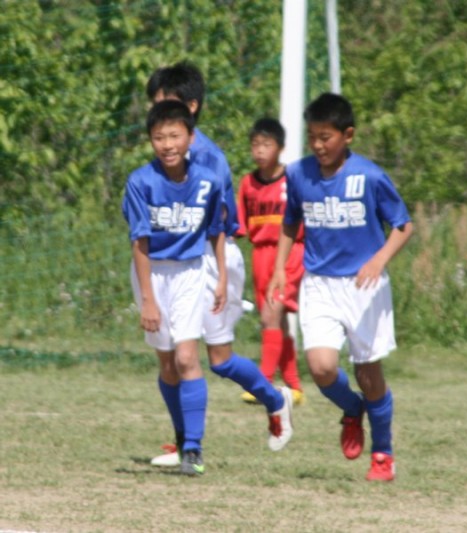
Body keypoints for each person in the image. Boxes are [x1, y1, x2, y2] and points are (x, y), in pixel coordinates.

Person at [145, 62, 293, 468]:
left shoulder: (207, 157)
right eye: (155, 106)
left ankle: (274, 399)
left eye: (166, 104)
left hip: (212, 257)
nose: (158, 114)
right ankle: (186, 445)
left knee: (219, 359)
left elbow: (216, 224)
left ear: (191, 107)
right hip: (175, 262)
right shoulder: (164, 155)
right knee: (172, 359)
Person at [268, 93, 413, 482]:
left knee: (368, 372)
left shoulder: (369, 176)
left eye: (326, 137)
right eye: (312, 137)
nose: (318, 145)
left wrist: (379, 260)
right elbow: (290, 221)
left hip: (364, 287)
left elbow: (403, 226)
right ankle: (352, 409)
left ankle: (382, 454)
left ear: (347, 135)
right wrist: (280, 268)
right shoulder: (299, 174)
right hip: (319, 283)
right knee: (321, 367)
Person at [123, 100, 226, 475]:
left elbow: (216, 231)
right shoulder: (140, 182)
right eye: (159, 137)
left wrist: (222, 278)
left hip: (190, 271)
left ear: (190, 137)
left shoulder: (208, 181)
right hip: (151, 273)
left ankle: (194, 450)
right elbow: (140, 242)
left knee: (186, 357)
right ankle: (183, 437)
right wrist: (148, 300)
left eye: (174, 136)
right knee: (167, 364)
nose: (167, 144)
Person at [236, 118, 306, 406]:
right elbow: (240, 225)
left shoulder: (294, 180)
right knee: (278, 320)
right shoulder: (248, 183)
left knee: (270, 315)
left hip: (290, 253)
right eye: (255, 145)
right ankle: (294, 385)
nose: (260, 151)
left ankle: (262, 383)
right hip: (261, 255)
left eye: (266, 145)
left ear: (280, 147)